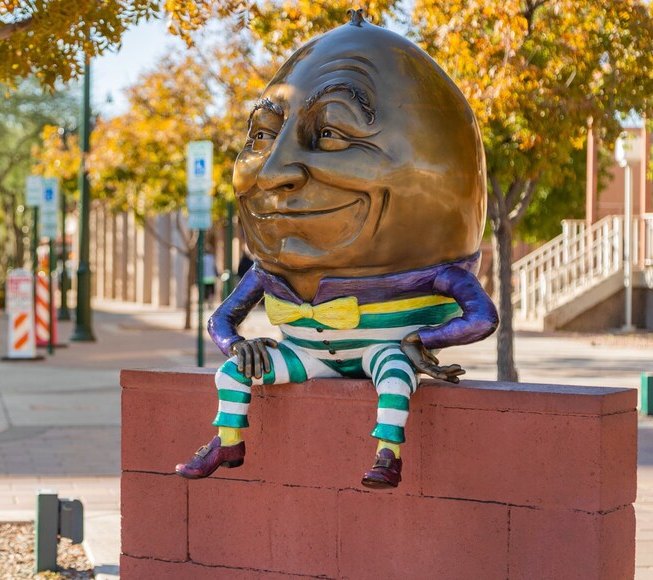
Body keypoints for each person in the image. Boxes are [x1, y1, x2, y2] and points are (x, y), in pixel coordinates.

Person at [175, 11, 498, 489]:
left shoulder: (432, 273)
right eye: (263, 136)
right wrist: (239, 348)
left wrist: (420, 341)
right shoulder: (268, 273)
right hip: (307, 356)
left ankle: (387, 455)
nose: (272, 173)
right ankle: (227, 441)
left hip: (380, 351)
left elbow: (482, 319)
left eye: (331, 134)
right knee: (228, 374)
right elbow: (221, 320)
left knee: (393, 379)